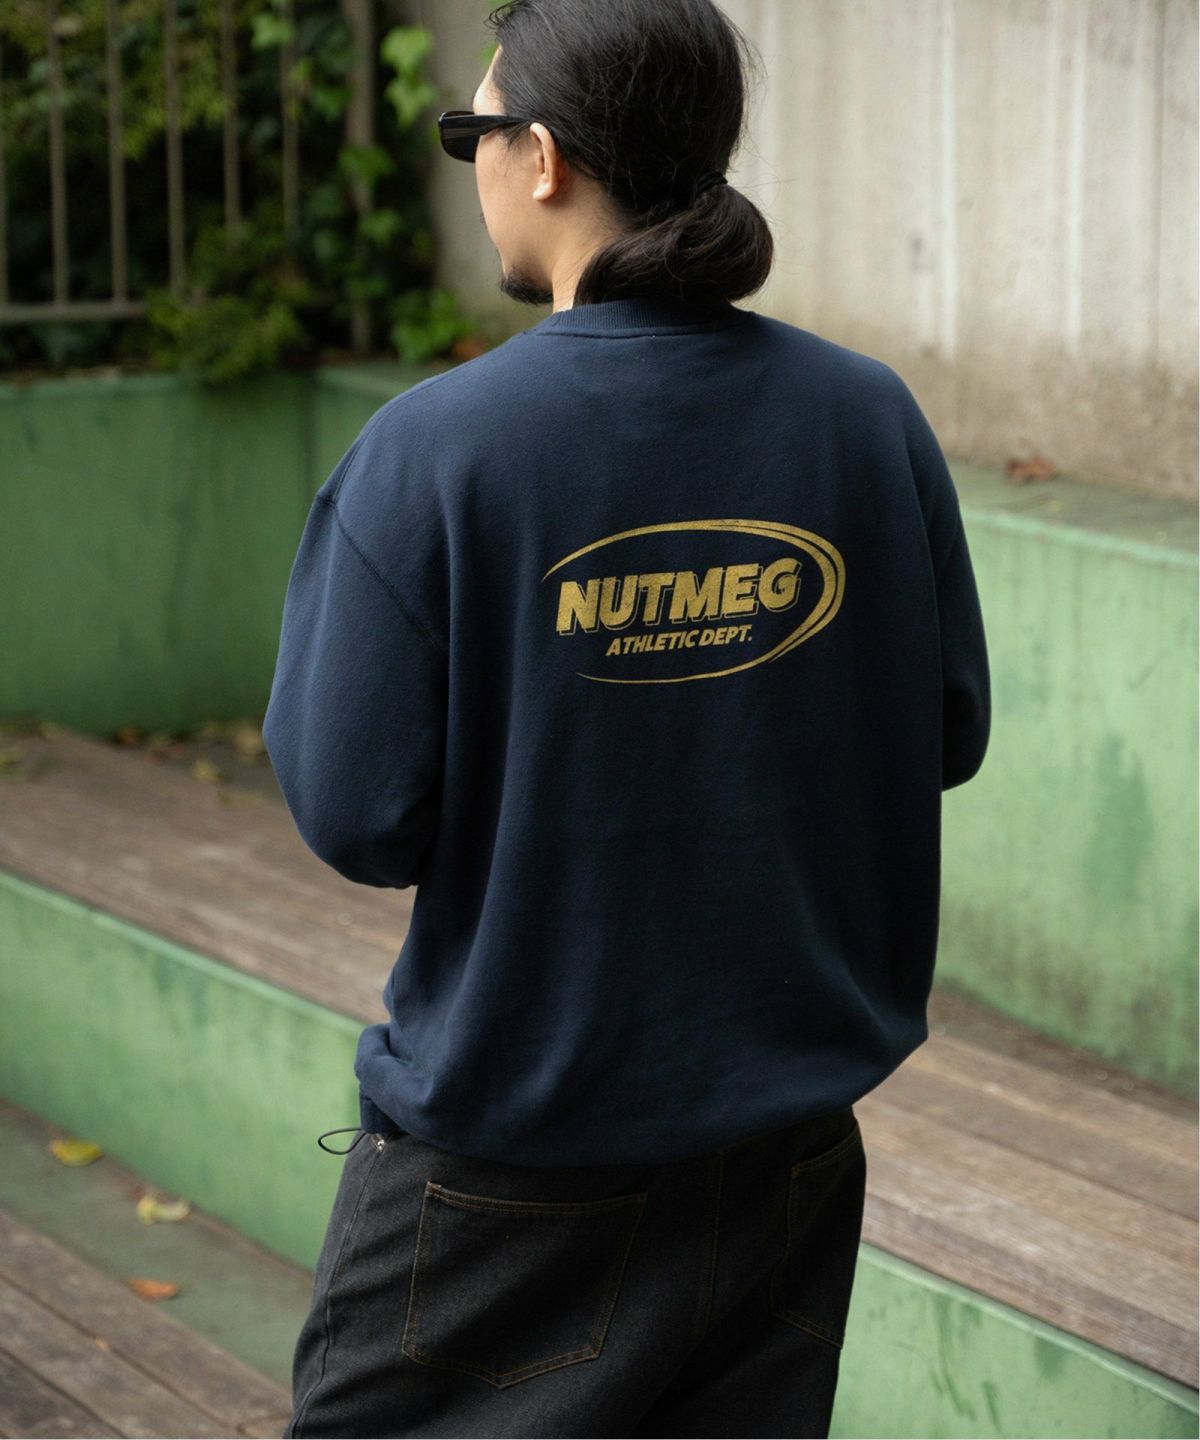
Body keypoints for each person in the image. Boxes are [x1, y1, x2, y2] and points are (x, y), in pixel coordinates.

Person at [261, 1, 991, 1435]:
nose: (474, 165)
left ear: (542, 159)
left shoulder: (436, 451)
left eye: (472, 134)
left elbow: (353, 813)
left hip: (509, 1181)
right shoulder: (868, 419)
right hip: (786, 1165)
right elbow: (944, 732)